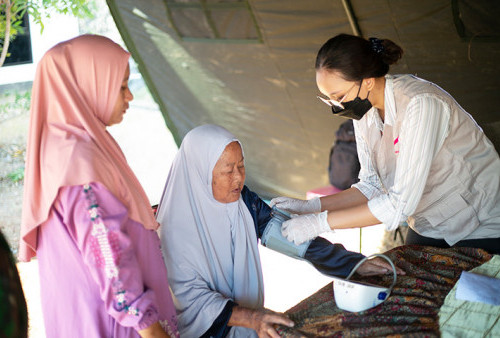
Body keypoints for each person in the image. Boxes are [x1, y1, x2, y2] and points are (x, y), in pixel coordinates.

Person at [156, 124, 401, 338]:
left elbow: (289, 235)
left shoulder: (243, 202)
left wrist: (353, 264)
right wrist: (253, 319)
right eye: (228, 171)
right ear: (199, 174)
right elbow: (191, 300)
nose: (238, 178)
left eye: (241, 166)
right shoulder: (172, 231)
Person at [271, 33, 500, 254]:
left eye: (339, 97)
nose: (336, 106)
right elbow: (372, 185)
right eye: (328, 98)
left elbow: (398, 205)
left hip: (481, 221)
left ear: (368, 81)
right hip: (431, 222)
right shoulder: (365, 111)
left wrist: (319, 223)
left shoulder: (420, 104)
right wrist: (310, 207)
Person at [18, 35, 178, 337]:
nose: (129, 96)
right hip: (116, 326)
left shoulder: (69, 147)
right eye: (121, 86)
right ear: (87, 86)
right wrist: (152, 331)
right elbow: (110, 257)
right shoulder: (79, 163)